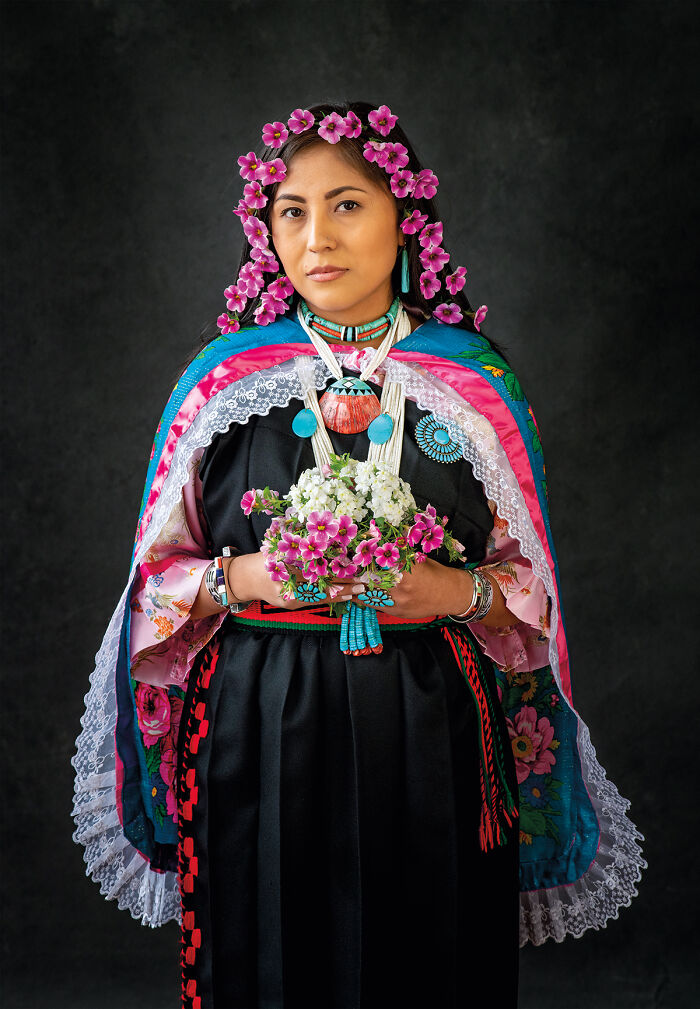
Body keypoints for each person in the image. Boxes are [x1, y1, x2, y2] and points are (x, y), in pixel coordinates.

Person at [72, 100, 646, 1009]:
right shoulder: (221, 386)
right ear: (267, 232)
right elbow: (152, 593)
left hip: (429, 726)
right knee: (267, 954)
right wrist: (242, 576)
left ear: (403, 218)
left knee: (428, 956)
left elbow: (531, 593)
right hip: (254, 729)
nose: (316, 236)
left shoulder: (473, 384)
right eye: (292, 211)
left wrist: (452, 591)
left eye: (347, 205)